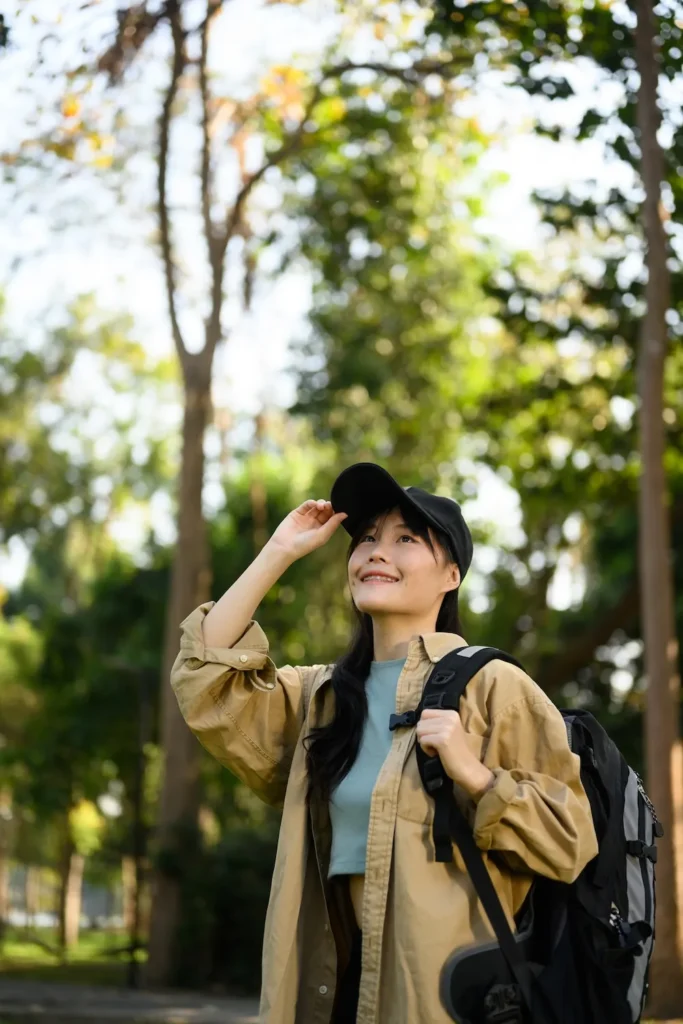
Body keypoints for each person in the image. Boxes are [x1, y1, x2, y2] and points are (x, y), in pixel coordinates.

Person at [170, 462, 598, 1024]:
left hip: (439, 999)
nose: (376, 551)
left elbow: (570, 842)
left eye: (405, 539)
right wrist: (278, 551)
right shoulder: (320, 697)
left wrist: (477, 775)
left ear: (451, 576)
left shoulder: (496, 687)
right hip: (330, 993)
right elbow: (207, 676)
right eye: (366, 538)